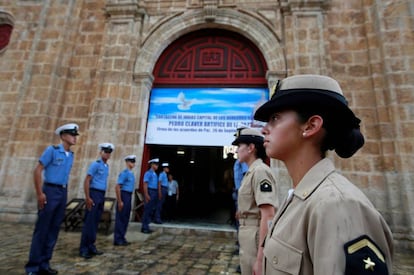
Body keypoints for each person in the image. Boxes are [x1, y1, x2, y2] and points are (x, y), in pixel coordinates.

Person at [254, 74, 394, 274]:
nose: (264, 130)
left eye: (275, 118)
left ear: (311, 126)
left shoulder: (337, 205)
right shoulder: (298, 198)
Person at [25, 123, 79, 275]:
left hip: (62, 192)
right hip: (49, 190)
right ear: (63, 136)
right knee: (42, 229)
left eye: (75, 135)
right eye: (71, 134)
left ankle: (44, 264)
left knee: (54, 229)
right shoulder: (52, 150)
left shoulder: (71, 155)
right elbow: (38, 170)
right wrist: (39, 193)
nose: (74, 137)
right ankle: (33, 267)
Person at [232, 127, 279, 275]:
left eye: (239, 146)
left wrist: (260, 259)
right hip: (247, 232)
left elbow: (268, 215)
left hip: (255, 236)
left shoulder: (260, 171)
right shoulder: (251, 172)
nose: (236, 150)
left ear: (251, 148)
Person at [79, 142, 114, 259]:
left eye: (109, 152)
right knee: (89, 221)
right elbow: (87, 180)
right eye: (106, 152)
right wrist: (88, 197)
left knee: (95, 221)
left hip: (101, 194)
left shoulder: (106, 166)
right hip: (93, 193)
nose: (107, 154)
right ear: (101, 152)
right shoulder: (95, 164)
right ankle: (83, 248)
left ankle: (91, 246)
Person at [113, 154, 136, 246]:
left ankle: (122, 237)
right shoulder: (124, 173)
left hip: (129, 195)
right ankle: (118, 238)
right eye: (131, 161)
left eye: (134, 162)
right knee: (120, 218)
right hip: (124, 195)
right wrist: (120, 201)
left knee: (125, 217)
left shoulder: (131, 174)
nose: (133, 163)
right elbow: (118, 187)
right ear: (127, 162)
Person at [141, 158, 159, 234]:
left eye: (157, 164)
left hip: (154, 191)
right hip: (150, 191)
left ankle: (147, 226)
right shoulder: (148, 173)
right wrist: (146, 194)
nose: (157, 166)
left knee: (151, 209)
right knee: (147, 209)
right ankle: (144, 227)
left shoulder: (155, 174)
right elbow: (145, 184)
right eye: (155, 164)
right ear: (152, 165)